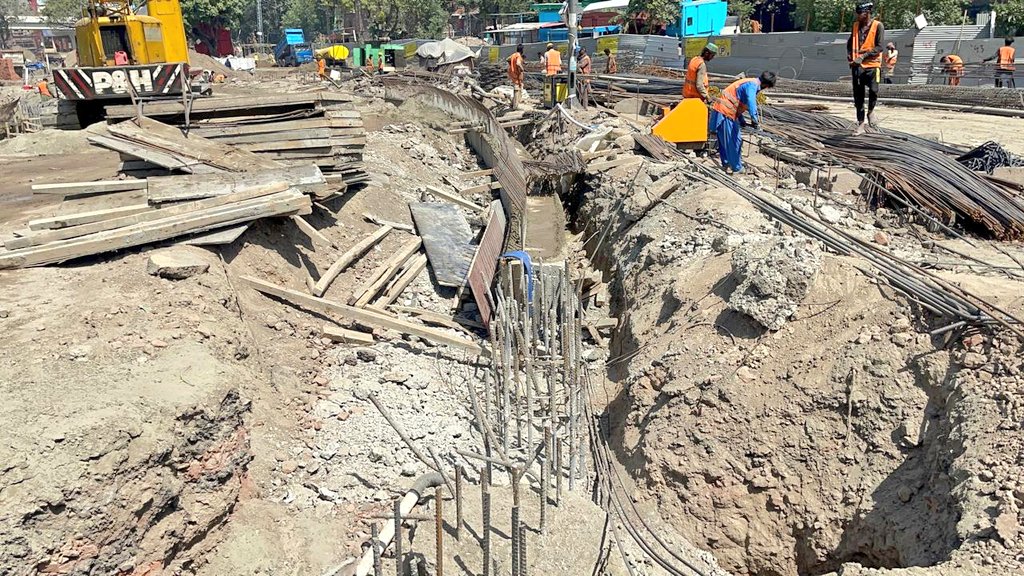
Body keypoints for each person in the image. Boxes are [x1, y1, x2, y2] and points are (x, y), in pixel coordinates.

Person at [709, 71, 776, 174]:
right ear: (766, 85)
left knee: (727, 140)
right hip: (725, 112)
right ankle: (736, 167)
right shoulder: (752, 85)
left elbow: (737, 101)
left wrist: (742, 120)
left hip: (726, 111)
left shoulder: (749, 82)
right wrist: (755, 121)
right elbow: (751, 102)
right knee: (733, 141)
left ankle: (727, 163)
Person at [847, 1, 885, 135]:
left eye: (860, 13)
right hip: (857, 67)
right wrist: (850, 57)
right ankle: (861, 124)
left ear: (867, 13)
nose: (857, 16)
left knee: (874, 91)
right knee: (858, 96)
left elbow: (879, 47)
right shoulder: (855, 26)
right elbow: (850, 42)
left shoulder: (878, 26)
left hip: (873, 66)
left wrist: (863, 57)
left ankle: (871, 111)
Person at [507, 43, 525, 109]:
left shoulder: (513, 55)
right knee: (517, 89)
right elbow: (518, 63)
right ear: (522, 50)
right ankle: (516, 105)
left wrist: (511, 65)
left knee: (517, 87)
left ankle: (514, 103)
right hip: (517, 74)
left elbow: (507, 59)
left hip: (513, 73)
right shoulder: (519, 56)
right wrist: (522, 68)